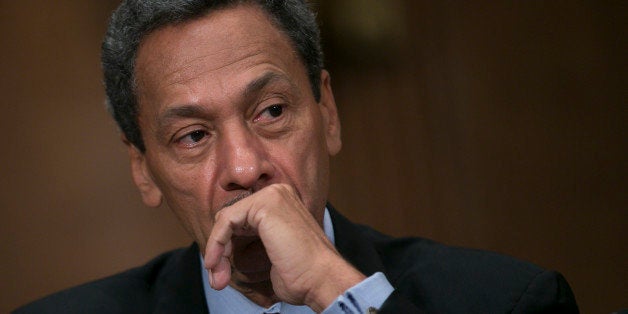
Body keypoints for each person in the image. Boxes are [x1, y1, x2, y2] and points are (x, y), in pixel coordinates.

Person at [14, 0, 579, 313]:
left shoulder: (506, 303)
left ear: (327, 112)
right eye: (192, 136)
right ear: (143, 169)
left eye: (271, 112)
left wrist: (337, 295)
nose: (244, 168)